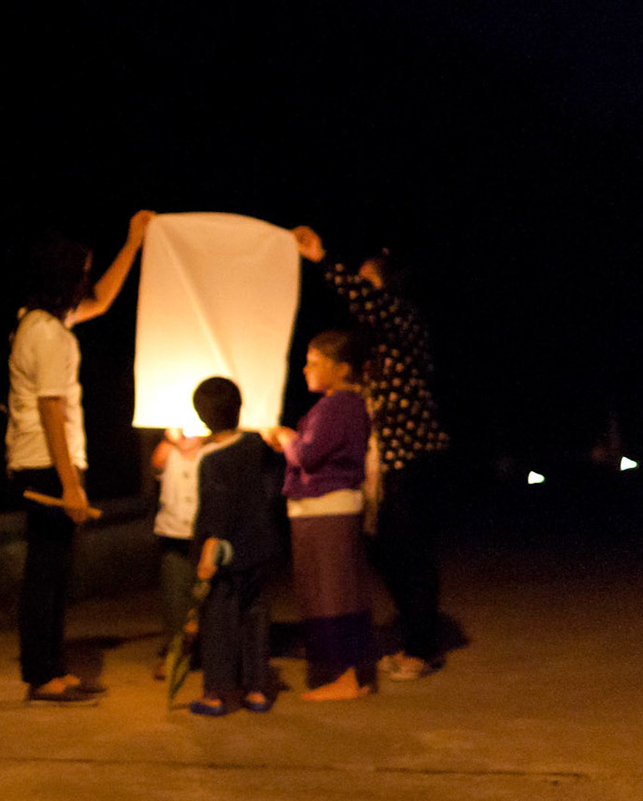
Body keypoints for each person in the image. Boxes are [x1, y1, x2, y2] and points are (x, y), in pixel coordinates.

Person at [5, 212, 153, 702]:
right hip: (48, 463)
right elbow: (52, 409)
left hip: (40, 461)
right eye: (82, 273)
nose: (87, 281)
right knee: (47, 574)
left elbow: (104, 301)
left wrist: (132, 241)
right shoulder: (49, 334)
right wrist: (70, 484)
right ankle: (45, 673)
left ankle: (47, 669)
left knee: (49, 570)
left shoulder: (40, 322)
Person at [293, 227, 451, 680]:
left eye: (367, 281)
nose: (360, 292)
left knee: (409, 553)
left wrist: (323, 258)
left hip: (415, 458)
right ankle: (417, 639)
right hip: (392, 463)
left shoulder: (402, 320)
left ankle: (422, 649)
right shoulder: (380, 344)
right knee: (387, 551)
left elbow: (368, 302)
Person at [265, 329, 375, 701]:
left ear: (343, 369)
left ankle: (346, 676)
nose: (305, 369)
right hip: (321, 512)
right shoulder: (336, 405)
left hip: (327, 512)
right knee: (327, 590)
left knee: (331, 592)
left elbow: (307, 455)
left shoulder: (339, 405)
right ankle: (344, 673)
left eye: (315, 363)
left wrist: (283, 438)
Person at [184, 377, 285, 716]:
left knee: (219, 624)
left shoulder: (212, 460)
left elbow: (215, 513)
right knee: (255, 618)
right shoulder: (256, 445)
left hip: (225, 556)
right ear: (239, 408)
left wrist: (206, 557)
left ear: (201, 416)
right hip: (259, 548)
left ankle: (215, 694)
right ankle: (256, 690)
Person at [150, 428, 209, 680]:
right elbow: (157, 462)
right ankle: (174, 653)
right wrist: (170, 438)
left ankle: (207, 652)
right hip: (173, 535)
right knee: (175, 596)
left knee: (206, 595)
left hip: (206, 536)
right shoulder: (169, 452)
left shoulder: (211, 454)